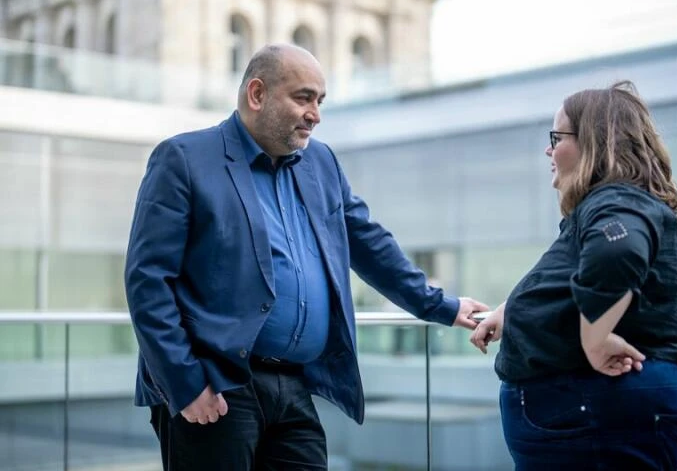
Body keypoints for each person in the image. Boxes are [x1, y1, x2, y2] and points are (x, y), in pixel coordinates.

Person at [124, 43, 488, 470]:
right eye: (303, 97)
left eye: (320, 100)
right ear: (256, 95)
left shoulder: (321, 162)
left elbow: (369, 244)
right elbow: (148, 280)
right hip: (215, 385)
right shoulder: (183, 159)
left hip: (294, 384)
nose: (315, 113)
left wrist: (440, 306)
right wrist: (185, 384)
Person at [470, 80, 677, 470]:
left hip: (589, 413)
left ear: (596, 142)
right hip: (591, 414)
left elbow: (618, 249)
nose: (548, 148)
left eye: (556, 137)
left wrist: (594, 339)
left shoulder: (616, 203)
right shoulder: (618, 202)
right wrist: (517, 307)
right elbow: (586, 273)